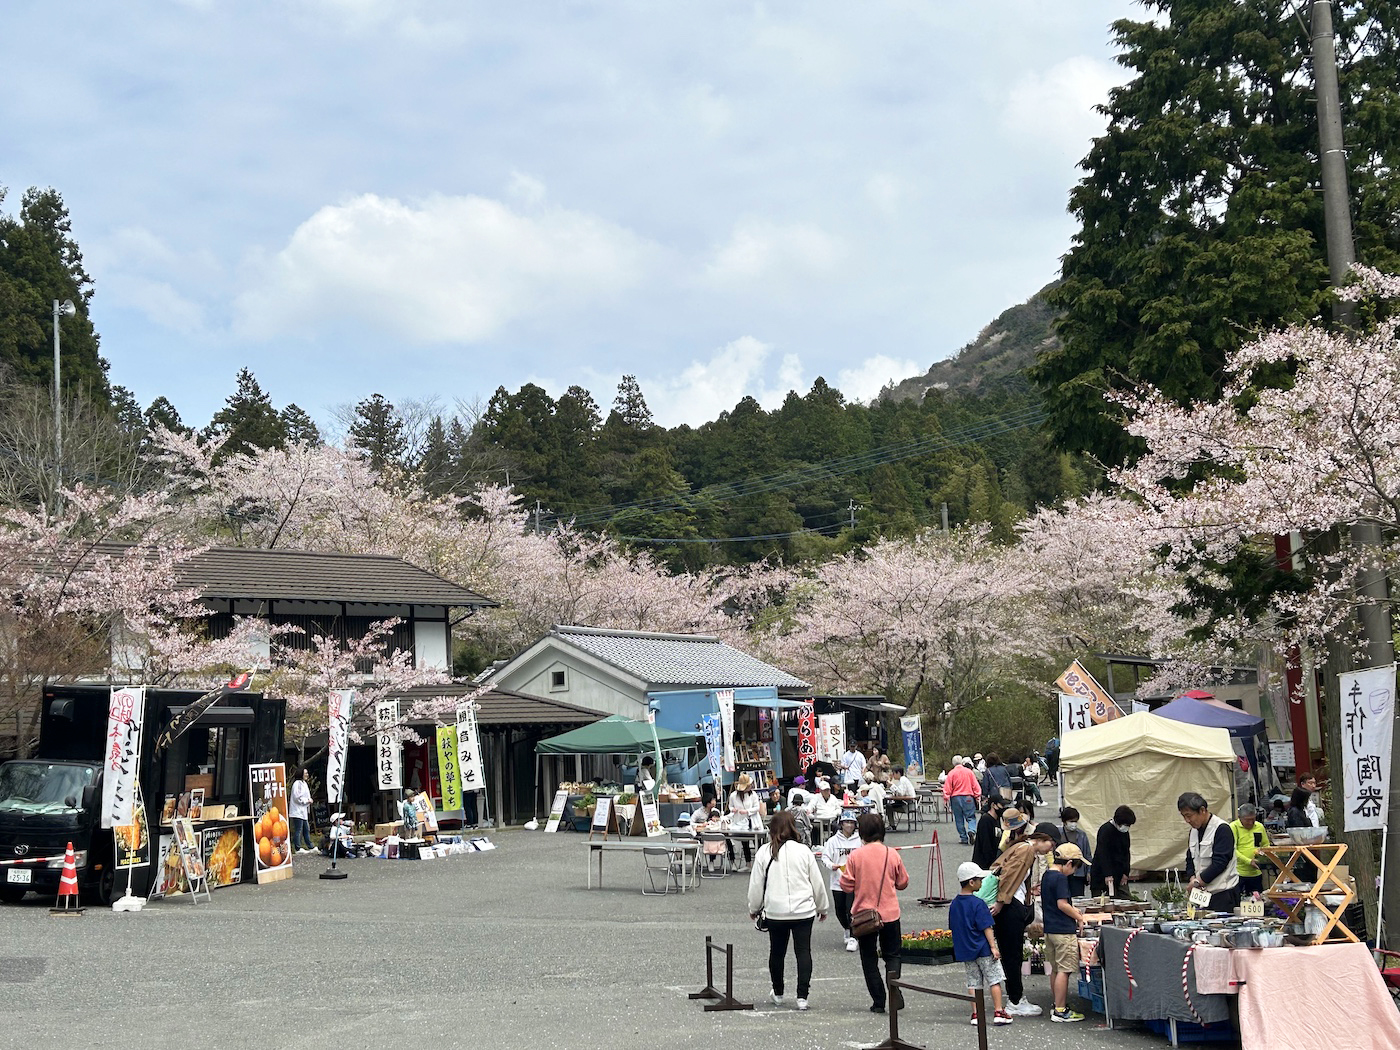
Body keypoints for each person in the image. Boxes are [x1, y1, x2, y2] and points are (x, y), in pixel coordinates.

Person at [747, 810, 830, 1011]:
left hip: (776, 911)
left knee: (777, 953)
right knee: (803, 951)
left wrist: (754, 907)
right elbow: (816, 882)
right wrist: (822, 906)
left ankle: (778, 992)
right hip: (804, 910)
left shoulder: (764, 852)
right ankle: (802, 996)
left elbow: (756, 884)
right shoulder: (804, 851)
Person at [840, 812, 910, 1014]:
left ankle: (878, 1000)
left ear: (861, 832)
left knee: (868, 957)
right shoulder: (892, 853)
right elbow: (903, 882)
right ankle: (894, 990)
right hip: (889, 913)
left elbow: (846, 884)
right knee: (893, 955)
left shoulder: (855, 855)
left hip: (864, 915)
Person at [990, 812, 1054, 1017]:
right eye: (1051, 844)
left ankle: (1015, 997)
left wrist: (1028, 890)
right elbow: (1009, 877)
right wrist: (1001, 902)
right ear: (1043, 840)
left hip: (1011, 904)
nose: (1051, 849)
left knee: (1012, 954)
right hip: (1010, 907)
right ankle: (1015, 1000)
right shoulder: (1026, 850)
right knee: (1012, 955)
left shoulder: (1020, 846)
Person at [950, 862, 1012, 1026]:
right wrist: (993, 946)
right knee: (994, 980)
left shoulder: (955, 904)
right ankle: (998, 1011)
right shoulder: (978, 904)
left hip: (966, 950)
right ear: (971, 882)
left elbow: (953, 926)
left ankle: (976, 1014)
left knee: (973, 982)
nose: (982, 882)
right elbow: (986, 927)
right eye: (979, 880)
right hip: (983, 948)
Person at [1041, 843, 1087, 1023]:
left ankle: (1056, 1004)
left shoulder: (1047, 875)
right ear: (1068, 863)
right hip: (1063, 930)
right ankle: (1061, 1010)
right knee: (1065, 970)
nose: (1074, 872)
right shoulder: (1060, 878)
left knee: (1056, 969)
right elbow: (1062, 904)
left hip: (1050, 929)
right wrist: (1079, 917)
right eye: (1075, 867)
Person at [1179, 791, 1241, 913]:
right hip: (1202, 894)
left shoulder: (1222, 829)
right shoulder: (1194, 831)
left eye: (1189, 815)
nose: (1187, 820)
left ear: (1202, 810)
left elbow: (1220, 862)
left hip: (1223, 893)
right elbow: (1190, 857)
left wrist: (1198, 881)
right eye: (1184, 816)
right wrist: (1192, 877)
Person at [820, 810, 863, 952]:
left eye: (851, 823)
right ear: (841, 824)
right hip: (837, 880)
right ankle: (847, 928)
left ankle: (853, 937)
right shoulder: (832, 841)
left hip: (854, 881)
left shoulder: (859, 841)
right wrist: (831, 865)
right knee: (840, 910)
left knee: (851, 909)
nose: (849, 826)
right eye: (846, 822)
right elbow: (825, 857)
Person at [1090, 806, 1135, 898]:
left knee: (1125, 899)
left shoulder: (1124, 832)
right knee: (1105, 902)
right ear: (1118, 822)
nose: (1127, 827)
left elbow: (1126, 852)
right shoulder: (1105, 830)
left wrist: (1126, 872)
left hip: (1119, 874)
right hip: (1102, 874)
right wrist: (1108, 874)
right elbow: (1102, 854)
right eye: (1126, 824)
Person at [1230, 803, 1268, 895]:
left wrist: (1263, 856)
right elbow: (1232, 849)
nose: (1251, 823)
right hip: (1238, 873)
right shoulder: (1233, 827)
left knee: (1257, 899)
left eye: (1253, 819)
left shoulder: (1259, 826)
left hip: (1256, 873)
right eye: (1247, 820)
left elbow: (1265, 844)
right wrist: (1248, 861)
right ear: (1239, 817)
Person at [943, 755, 982, 844]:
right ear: (962, 762)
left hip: (955, 798)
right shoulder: (969, 772)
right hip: (968, 797)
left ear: (953, 763)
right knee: (971, 816)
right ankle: (971, 830)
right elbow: (975, 785)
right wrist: (977, 796)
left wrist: (946, 798)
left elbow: (947, 787)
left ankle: (963, 838)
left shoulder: (951, 773)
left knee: (959, 818)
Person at [728, 773, 764, 871]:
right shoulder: (733, 796)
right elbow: (730, 806)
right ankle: (748, 864)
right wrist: (733, 809)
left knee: (757, 841)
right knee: (745, 842)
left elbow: (757, 807)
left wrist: (747, 811)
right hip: (740, 821)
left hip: (752, 820)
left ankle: (760, 864)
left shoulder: (753, 795)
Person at [1058, 807, 1093, 897]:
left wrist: (1089, 871)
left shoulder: (1082, 835)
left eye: (1075, 821)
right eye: (1071, 821)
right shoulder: (1058, 833)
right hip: (1062, 872)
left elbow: (1087, 854)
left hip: (1078, 872)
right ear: (1064, 821)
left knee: (1078, 897)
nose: (1073, 824)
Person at [971, 798, 1008, 869]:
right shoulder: (986, 820)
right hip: (984, 863)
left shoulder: (997, 819)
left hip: (993, 859)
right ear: (993, 805)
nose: (1003, 808)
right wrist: (991, 863)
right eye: (1001, 805)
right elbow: (985, 843)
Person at [289, 768, 314, 854]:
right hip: (297, 811)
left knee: (306, 829)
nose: (307, 775)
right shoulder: (297, 784)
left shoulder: (304, 784)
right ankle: (297, 848)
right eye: (305, 773)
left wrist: (308, 800)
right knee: (298, 829)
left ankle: (310, 846)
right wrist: (307, 800)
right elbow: (297, 797)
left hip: (303, 811)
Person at [886, 766, 917, 830]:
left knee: (888, 806)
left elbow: (901, 793)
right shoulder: (902, 780)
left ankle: (892, 825)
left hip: (908, 806)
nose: (893, 775)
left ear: (898, 773)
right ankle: (892, 825)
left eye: (894, 773)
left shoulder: (903, 780)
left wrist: (891, 785)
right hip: (908, 803)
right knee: (890, 805)